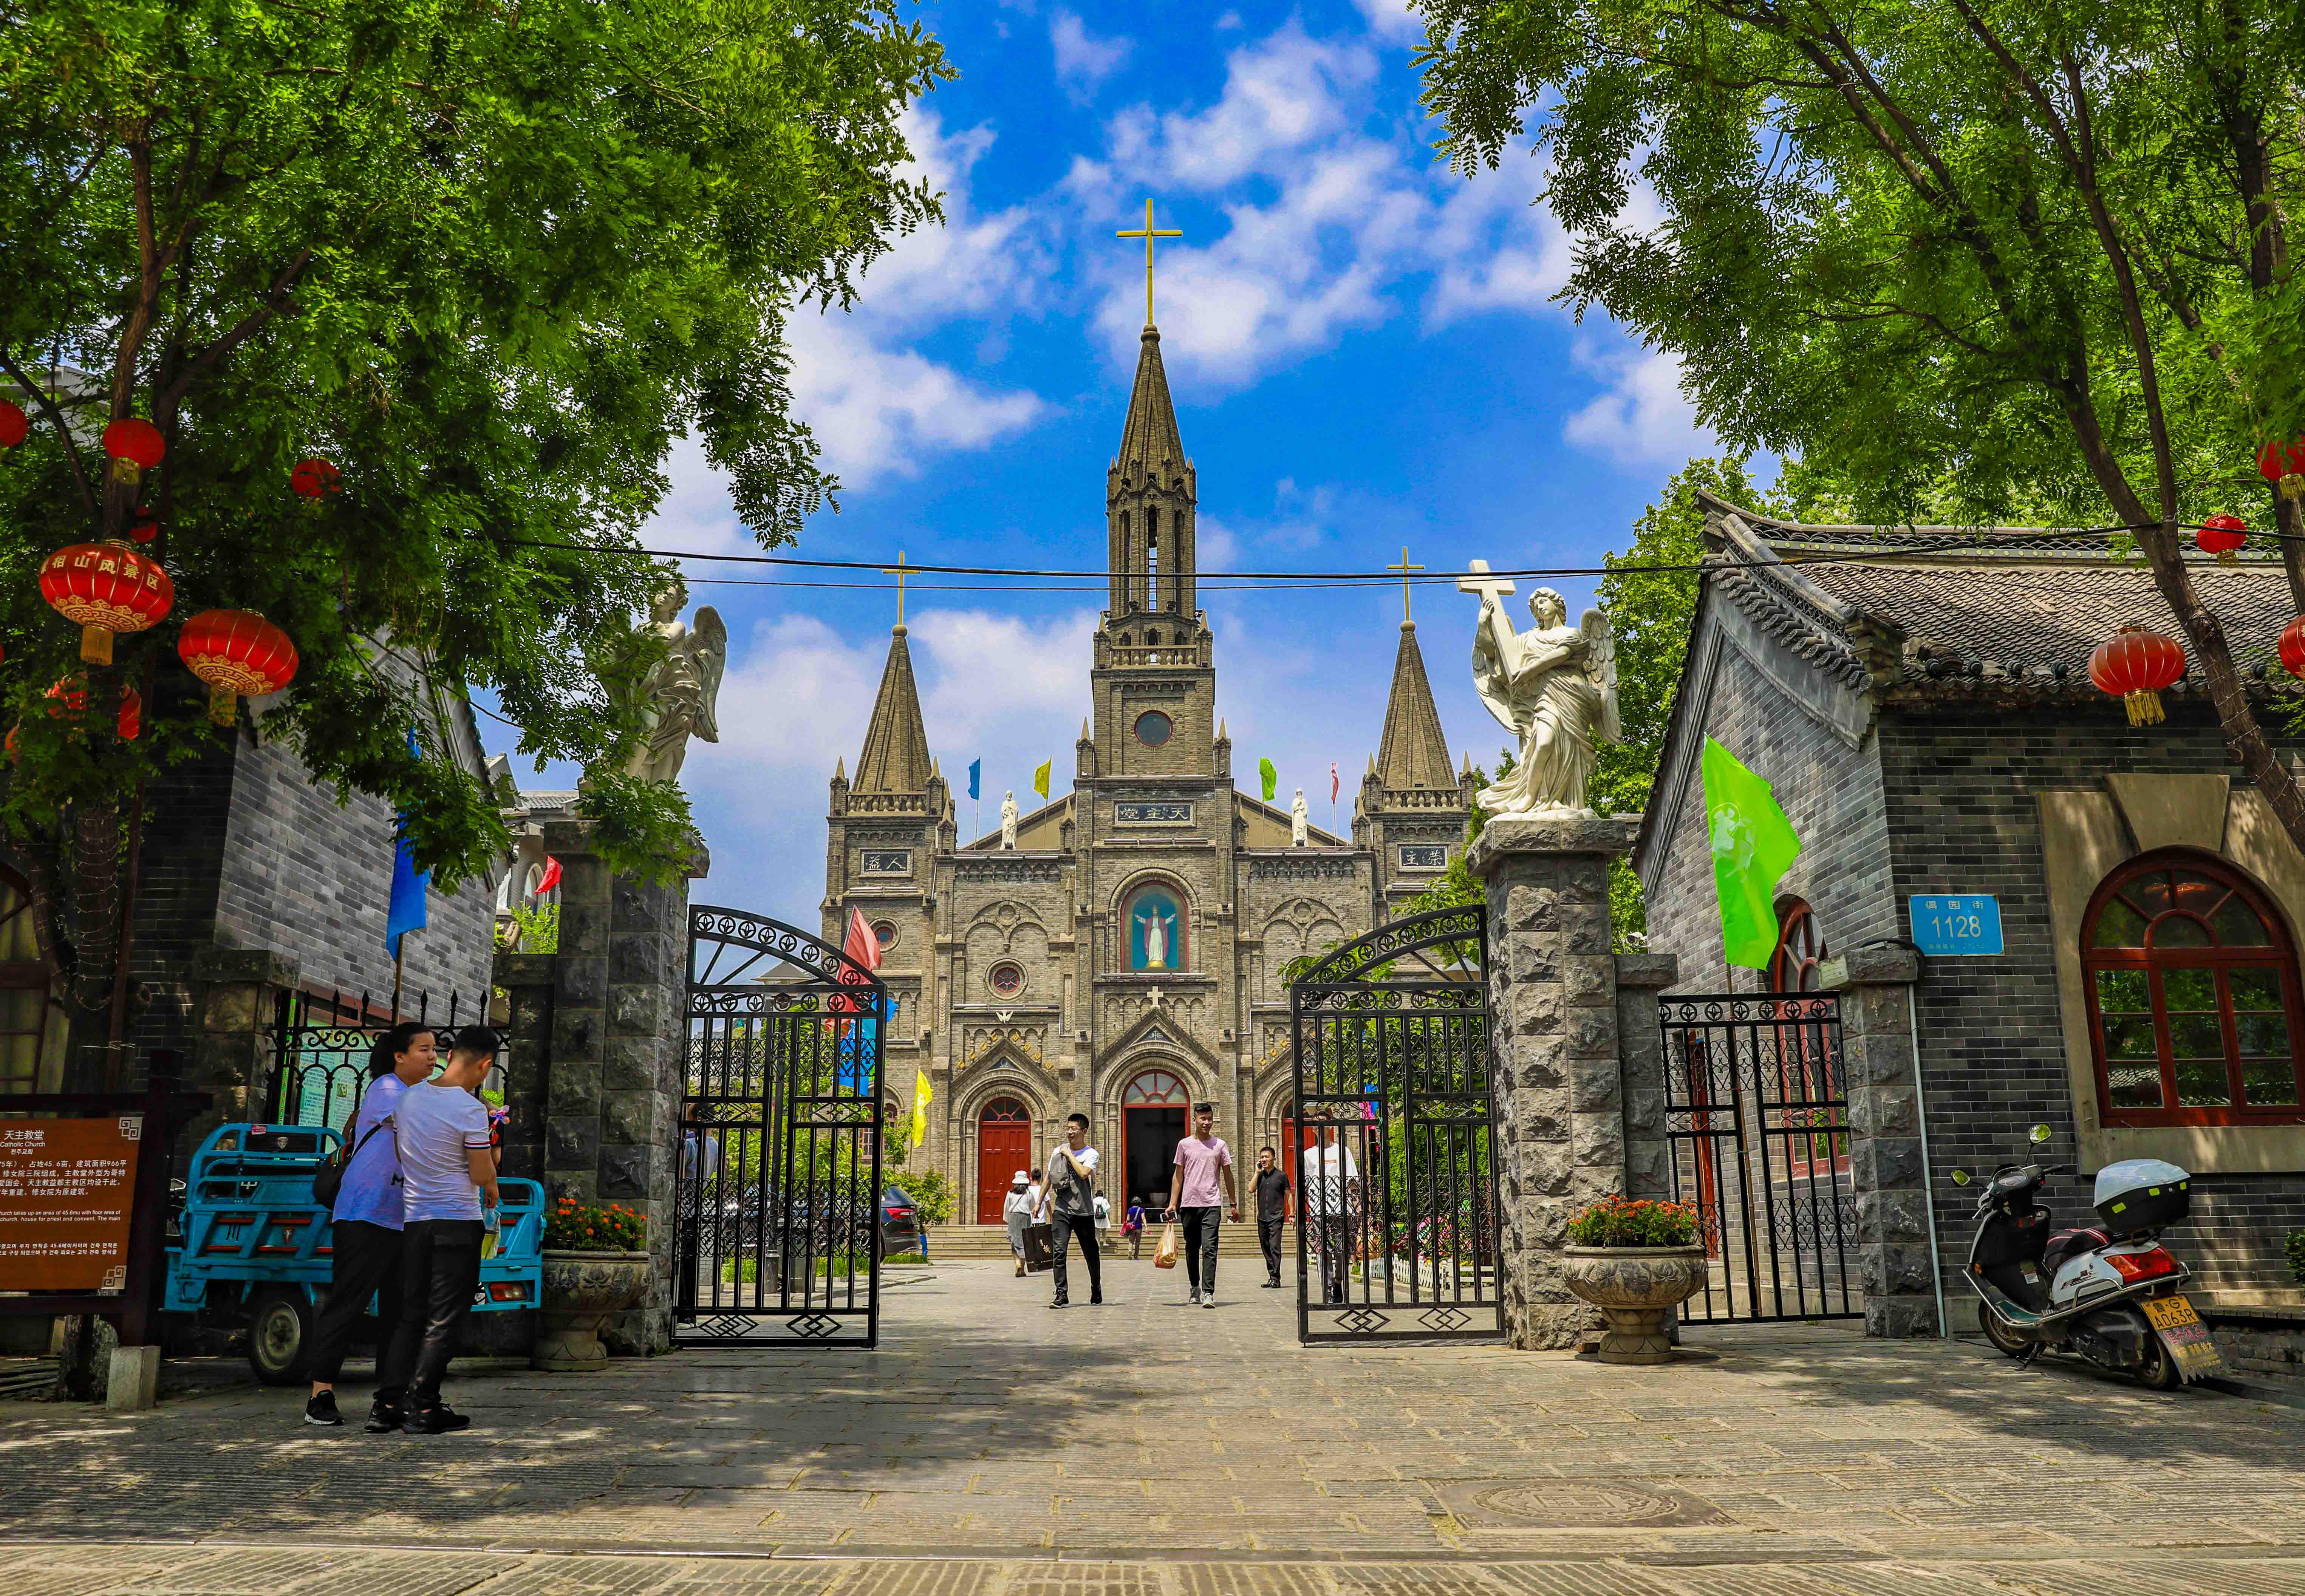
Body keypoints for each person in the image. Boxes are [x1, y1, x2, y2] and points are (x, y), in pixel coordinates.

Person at [303, 1022, 434, 1428]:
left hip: (405, 1218)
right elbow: (419, 1122)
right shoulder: (386, 1089)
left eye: (436, 1049)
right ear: (400, 1056)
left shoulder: (420, 1093)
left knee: (401, 1311)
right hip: (365, 1214)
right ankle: (320, 1396)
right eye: (425, 1049)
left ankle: (391, 1398)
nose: (434, 1056)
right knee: (348, 1302)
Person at [375, 1027, 502, 1434]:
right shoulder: (470, 1110)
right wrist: (491, 1174)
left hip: (416, 1220)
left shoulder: (409, 1098)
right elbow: (480, 1173)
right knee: (445, 1318)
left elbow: (401, 1156)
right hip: (457, 1221)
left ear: (450, 1054)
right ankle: (424, 1406)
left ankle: (388, 1404)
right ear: (485, 1065)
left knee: (411, 1314)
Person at [1163, 1103, 1238, 1308]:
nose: (1207, 1123)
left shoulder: (1220, 1145)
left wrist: (1233, 1203)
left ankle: (1209, 1292)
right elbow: (1178, 1176)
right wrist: (1173, 1203)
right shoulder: (1184, 1145)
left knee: (1211, 1248)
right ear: (1195, 1120)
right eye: (1203, 1119)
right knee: (1192, 1248)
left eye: (1210, 1119)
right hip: (1189, 1205)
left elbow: (1228, 1175)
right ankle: (1195, 1287)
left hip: (1212, 1204)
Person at [1039, 1112, 1102, 1308]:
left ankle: (1096, 1286)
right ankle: (1061, 1293)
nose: (1069, 1132)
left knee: (1091, 1253)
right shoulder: (1057, 1151)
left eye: (1074, 1129)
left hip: (1084, 1211)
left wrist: (1069, 1155)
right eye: (1068, 1128)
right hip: (1062, 1208)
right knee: (1059, 1251)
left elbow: (1084, 1173)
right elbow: (1049, 1178)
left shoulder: (1091, 1154)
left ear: (1084, 1131)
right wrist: (1038, 1202)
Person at [1302, 1124, 1361, 1305]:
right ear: (1313, 1130)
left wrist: (1358, 1205)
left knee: (1343, 1250)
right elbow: (1304, 1183)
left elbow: (1353, 1181)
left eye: (1324, 1124)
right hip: (1319, 1209)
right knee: (1324, 1251)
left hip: (1342, 1208)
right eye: (1316, 1125)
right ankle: (1327, 1289)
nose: (1320, 1128)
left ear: (1330, 1127)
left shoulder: (1343, 1151)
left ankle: (1338, 1281)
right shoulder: (1308, 1155)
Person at [1253, 1145, 1291, 1290]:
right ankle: (1272, 1276)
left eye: (1267, 1157)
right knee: (1266, 1248)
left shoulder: (1282, 1176)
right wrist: (1257, 1173)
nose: (1264, 1160)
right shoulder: (1260, 1176)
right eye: (1262, 1157)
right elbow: (1251, 1189)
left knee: (1275, 1247)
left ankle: (1276, 1278)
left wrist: (1292, 1214)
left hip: (1276, 1217)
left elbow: (1289, 1196)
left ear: (1274, 1158)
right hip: (1262, 1218)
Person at [1002, 1170, 1033, 1277]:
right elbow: (1032, 1206)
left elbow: (1007, 1207)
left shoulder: (1010, 1194)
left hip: (1014, 1218)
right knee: (1025, 1244)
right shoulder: (1029, 1194)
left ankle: (1018, 1265)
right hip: (1026, 1219)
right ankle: (1022, 1269)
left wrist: (1007, 1219)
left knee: (1014, 1243)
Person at [1125, 1195, 1146, 1260]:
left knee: (1131, 1241)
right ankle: (1136, 1257)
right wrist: (1146, 1226)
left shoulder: (1130, 1210)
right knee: (1138, 1243)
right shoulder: (1141, 1210)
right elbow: (1143, 1218)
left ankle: (1130, 1250)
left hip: (1132, 1228)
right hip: (1139, 1228)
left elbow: (1128, 1219)